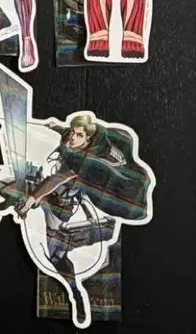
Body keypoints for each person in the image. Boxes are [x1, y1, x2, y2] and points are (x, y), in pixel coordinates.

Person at [15, 113, 153, 326]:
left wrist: (35, 197)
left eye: (78, 135)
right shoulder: (85, 140)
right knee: (56, 257)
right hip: (69, 199)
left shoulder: (86, 162)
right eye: (72, 133)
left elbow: (58, 178)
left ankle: (82, 293)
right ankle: (76, 293)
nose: (72, 137)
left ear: (88, 139)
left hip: (104, 195)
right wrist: (56, 127)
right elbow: (71, 142)